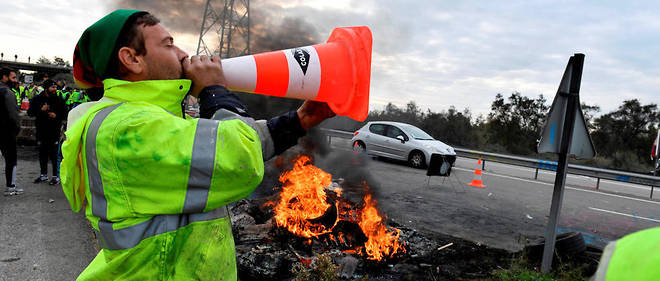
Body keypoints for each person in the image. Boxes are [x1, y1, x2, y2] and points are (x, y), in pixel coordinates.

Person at [61, 9, 335, 280]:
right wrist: (213, 89)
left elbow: (232, 144)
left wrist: (300, 120)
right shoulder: (128, 128)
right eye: (168, 44)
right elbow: (239, 156)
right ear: (131, 59)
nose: (183, 53)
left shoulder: (147, 118)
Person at [28, 79, 66, 185]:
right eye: (52, 87)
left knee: (54, 154)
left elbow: (65, 114)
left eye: (55, 87)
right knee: (42, 153)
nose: (55, 89)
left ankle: (55, 176)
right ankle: (43, 175)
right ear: (46, 88)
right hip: (41, 130)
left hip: (55, 131)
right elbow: (30, 113)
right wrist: (41, 110)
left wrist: (56, 115)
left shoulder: (59, 100)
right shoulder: (37, 99)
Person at [0, 67, 22, 196]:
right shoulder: (7, 92)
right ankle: (11, 186)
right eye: (13, 77)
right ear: (4, 77)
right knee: (11, 159)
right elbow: (13, 115)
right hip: (6, 131)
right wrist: (17, 128)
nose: (15, 80)